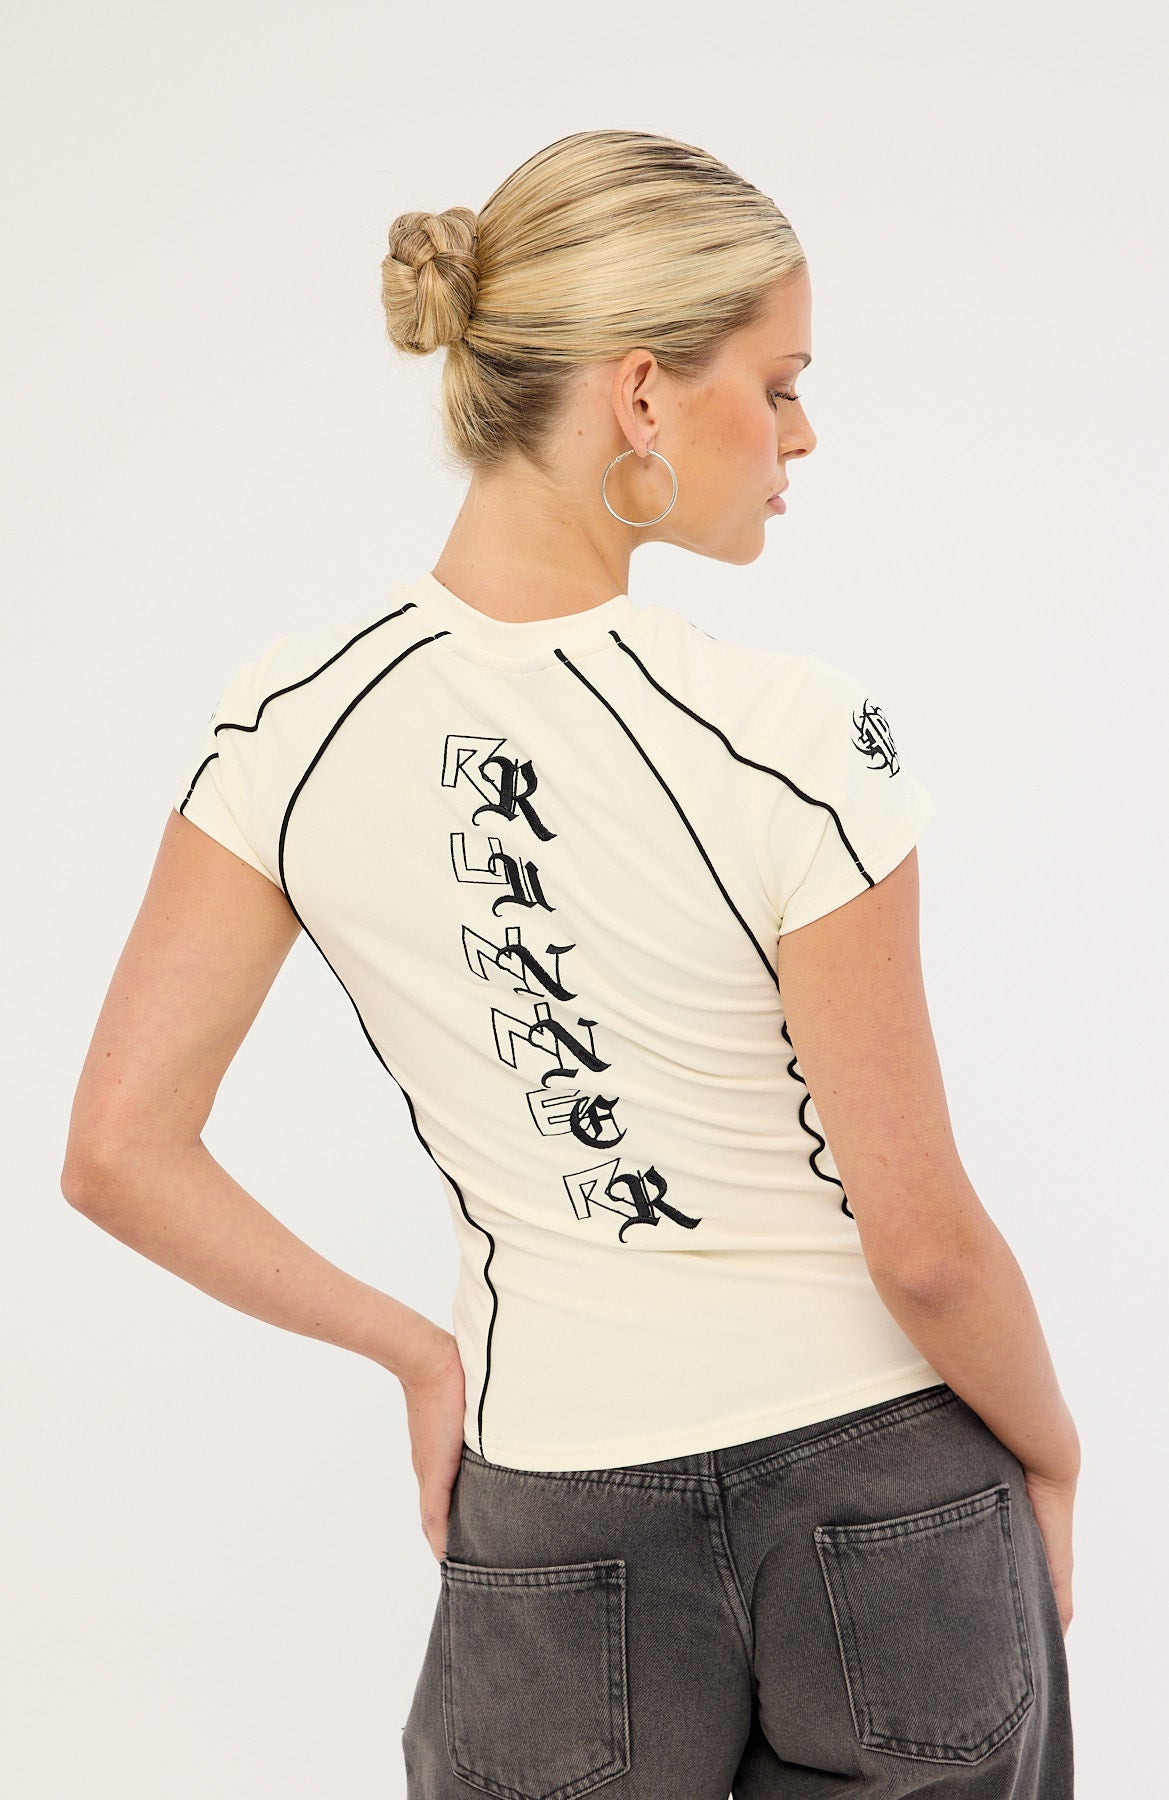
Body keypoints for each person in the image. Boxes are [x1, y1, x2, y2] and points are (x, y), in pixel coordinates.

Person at [61, 129, 1079, 1797]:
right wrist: (1052, 1448)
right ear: (642, 396)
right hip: (886, 1497)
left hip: (551, 1508)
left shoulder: (289, 728)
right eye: (779, 384)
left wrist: (420, 1352)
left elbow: (116, 1150)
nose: (800, 434)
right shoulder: (789, 733)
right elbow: (923, 1248)